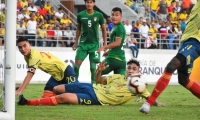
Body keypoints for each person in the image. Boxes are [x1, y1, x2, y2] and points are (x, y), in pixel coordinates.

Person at [18, 59, 164, 106]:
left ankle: (28, 102)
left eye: (134, 68)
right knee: (57, 89)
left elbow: (151, 99)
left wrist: (158, 104)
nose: (131, 70)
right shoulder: (118, 77)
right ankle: (45, 100)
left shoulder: (140, 87)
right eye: (129, 68)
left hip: (96, 99)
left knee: (63, 98)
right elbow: (100, 80)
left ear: (139, 71)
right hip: (90, 86)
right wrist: (99, 71)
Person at [139, 2, 200, 114]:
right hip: (186, 41)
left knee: (171, 66)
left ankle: (148, 103)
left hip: (196, 42)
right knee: (183, 80)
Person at [72, 0, 107, 84]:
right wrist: (76, 42)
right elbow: (78, 29)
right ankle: (74, 85)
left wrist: (105, 43)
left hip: (94, 45)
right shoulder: (80, 15)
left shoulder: (99, 15)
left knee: (93, 67)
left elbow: (103, 29)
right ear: (85, 3)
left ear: (94, 4)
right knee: (76, 66)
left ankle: (93, 87)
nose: (89, 4)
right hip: (83, 45)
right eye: (87, 2)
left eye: (91, 2)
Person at [97, 7, 126, 76]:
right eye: (112, 15)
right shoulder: (115, 27)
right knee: (119, 84)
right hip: (122, 60)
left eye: (117, 15)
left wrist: (105, 47)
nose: (114, 17)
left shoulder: (119, 27)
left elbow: (118, 43)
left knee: (97, 73)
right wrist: (109, 52)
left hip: (113, 58)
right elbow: (120, 44)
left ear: (121, 17)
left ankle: (95, 87)